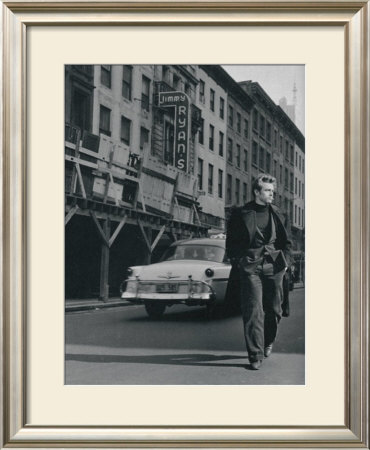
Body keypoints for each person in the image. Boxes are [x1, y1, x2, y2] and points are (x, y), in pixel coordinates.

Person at [226, 174, 292, 370]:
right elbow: (232, 242)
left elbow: (287, 243)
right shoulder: (241, 213)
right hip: (250, 266)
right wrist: (238, 261)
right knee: (253, 309)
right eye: (267, 190)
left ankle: (267, 341)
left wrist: (286, 263)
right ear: (257, 191)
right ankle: (255, 355)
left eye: (272, 191)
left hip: (274, 265)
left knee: (274, 309)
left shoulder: (279, 214)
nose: (272, 194)